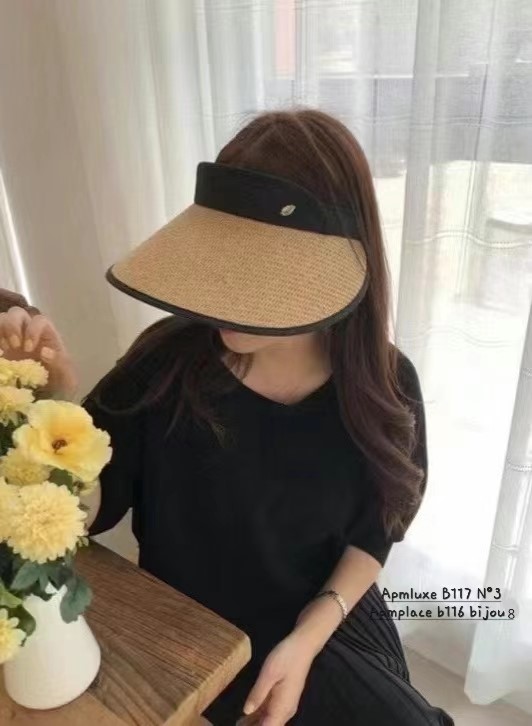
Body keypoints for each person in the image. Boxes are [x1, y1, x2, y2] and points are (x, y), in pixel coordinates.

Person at [0, 109, 454, 726]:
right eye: (221, 263)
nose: (225, 298)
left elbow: (376, 530)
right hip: (203, 636)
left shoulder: (385, 384)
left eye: (258, 277)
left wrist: (309, 636)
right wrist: (54, 405)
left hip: (331, 613)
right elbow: (86, 515)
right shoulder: (164, 366)